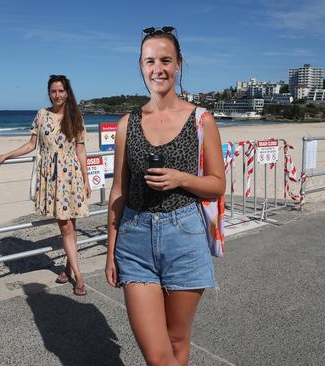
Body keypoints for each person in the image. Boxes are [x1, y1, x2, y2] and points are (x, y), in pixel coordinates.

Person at [105, 26, 226, 365]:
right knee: (158, 357)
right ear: (141, 66)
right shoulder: (127, 123)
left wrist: (180, 179)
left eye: (165, 60)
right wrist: (110, 250)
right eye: (149, 61)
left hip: (184, 235)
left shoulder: (201, 119)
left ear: (178, 65)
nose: (157, 68)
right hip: (134, 237)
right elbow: (119, 190)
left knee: (176, 342)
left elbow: (217, 184)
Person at [0, 74, 91, 296]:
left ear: (67, 93)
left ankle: (76, 274)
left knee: (69, 226)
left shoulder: (76, 117)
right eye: (53, 91)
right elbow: (31, 145)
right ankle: (73, 271)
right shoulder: (42, 115)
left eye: (61, 91)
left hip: (71, 177)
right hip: (52, 178)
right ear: (49, 93)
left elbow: (81, 150)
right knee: (67, 227)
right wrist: (6, 155)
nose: (57, 95)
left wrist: (85, 179)